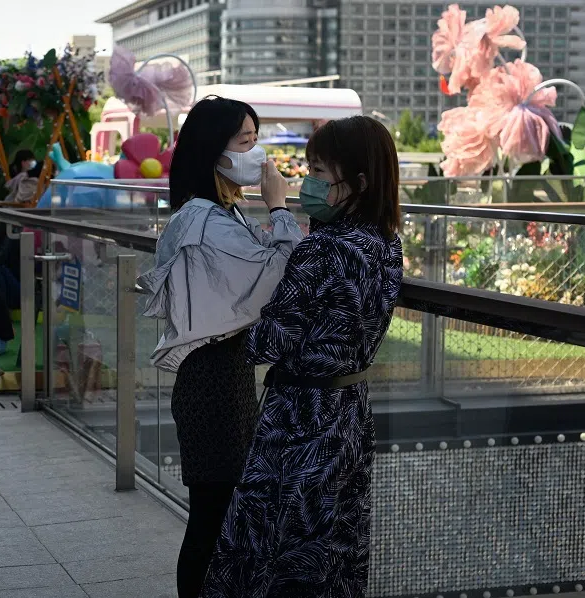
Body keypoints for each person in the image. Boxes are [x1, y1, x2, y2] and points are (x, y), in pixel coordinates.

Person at [201, 116, 404, 598]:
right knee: (333, 545)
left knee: (272, 545)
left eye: (318, 172)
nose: (306, 182)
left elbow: (266, 342)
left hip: (299, 419)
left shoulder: (322, 249)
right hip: (350, 411)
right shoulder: (386, 246)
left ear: (356, 183)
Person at [136, 96, 304, 598]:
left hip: (222, 374)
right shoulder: (205, 220)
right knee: (211, 515)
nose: (260, 154)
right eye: (247, 142)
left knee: (217, 512)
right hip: (212, 380)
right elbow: (280, 274)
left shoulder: (214, 212)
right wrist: (280, 205)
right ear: (216, 151)